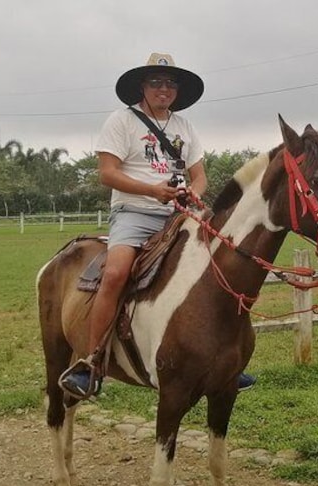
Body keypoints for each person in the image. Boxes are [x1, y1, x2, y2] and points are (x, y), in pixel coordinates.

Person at [60, 53, 256, 397]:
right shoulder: (121, 122)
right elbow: (108, 173)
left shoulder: (185, 127)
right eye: (156, 82)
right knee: (116, 272)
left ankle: (227, 359)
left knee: (222, 266)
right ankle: (91, 362)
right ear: (143, 86)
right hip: (134, 212)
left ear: (177, 90)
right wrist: (153, 191)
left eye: (170, 83)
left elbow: (200, 177)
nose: (163, 89)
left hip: (179, 214)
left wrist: (190, 194)